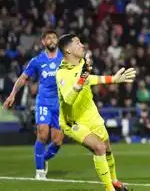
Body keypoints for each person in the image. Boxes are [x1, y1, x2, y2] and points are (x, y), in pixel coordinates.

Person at [56, 34, 135, 191]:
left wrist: (113, 79)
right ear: (68, 50)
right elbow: (68, 99)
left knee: (107, 150)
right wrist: (82, 77)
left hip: (91, 115)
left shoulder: (82, 63)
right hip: (73, 121)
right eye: (77, 43)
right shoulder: (62, 73)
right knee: (99, 148)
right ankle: (109, 188)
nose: (82, 45)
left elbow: (89, 79)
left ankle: (114, 181)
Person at [3, 31, 63, 179]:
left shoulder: (64, 58)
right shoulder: (37, 60)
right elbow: (23, 78)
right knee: (42, 134)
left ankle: (43, 159)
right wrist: (12, 94)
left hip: (60, 104)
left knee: (57, 141)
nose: (52, 40)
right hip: (43, 102)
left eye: (54, 37)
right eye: (48, 38)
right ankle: (40, 172)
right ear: (43, 42)